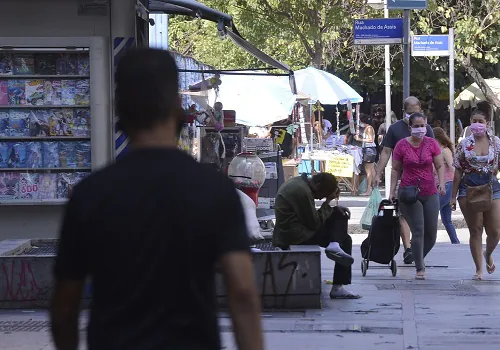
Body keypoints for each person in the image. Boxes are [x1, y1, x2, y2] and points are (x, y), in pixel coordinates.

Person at [50, 48, 263, 350]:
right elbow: (242, 291)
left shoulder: (90, 195)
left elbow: (64, 306)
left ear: (119, 108)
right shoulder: (215, 190)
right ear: (178, 106)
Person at [452, 101, 500, 281]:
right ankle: (479, 268)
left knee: (495, 231)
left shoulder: (496, 143)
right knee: (475, 229)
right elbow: (457, 171)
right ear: (470, 123)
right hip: (468, 187)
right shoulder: (463, 144)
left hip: (491, 186)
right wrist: (452, 197)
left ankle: (488, 254)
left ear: (487, 123)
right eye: (474, 121)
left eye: (481, 121)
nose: (477, 124)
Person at [273, 172, 361, 299]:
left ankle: (334, 244)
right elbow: (314, 223)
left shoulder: (300, 183)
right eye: (322, 195)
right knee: (346, 240)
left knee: (337, 216)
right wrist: (328, 202)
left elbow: (313, 218)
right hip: (294, 235)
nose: (319, 199)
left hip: (297, 229)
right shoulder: (302, 191)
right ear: (318, 185)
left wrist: (331, 208)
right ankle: (337, 285)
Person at [374, 96, 435, 264]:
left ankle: (417, 252)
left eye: (416, 112)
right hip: (404, 179)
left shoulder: (426, 128)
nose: (413, 115)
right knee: (403, 214)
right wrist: (378, 172)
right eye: (410, 113)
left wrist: (439, 176)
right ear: (404, 112)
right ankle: (408, 247)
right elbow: (386, 152)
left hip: (425, 181)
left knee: (425, 225)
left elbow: (434, 152)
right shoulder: (395, 129)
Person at [389, 113, 446, 280]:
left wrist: (442, 183)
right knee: (418, 230)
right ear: (410, 128)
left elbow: (440, 165)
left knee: (431, 234)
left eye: (423, 126)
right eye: (416, 126)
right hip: (409, 192)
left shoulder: (431, 143)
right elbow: (395, 169)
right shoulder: (401, 145)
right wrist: (392, 191)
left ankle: (415, 255)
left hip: (429, 191)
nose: (420, 129)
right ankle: (420, 267)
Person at [433, 127, 460, 244]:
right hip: (442, 186)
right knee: (446, 219)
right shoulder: (437, 151)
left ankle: (428, 240)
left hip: (448, 185)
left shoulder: (445, 151)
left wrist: (460, 183)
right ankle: (455, 242)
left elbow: (453, 167)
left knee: (432, 212)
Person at [354, 114, 377, 196]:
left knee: (369, 171)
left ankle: (368, 190)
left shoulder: (369, 128)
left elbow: (371, 139)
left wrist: (359, 139)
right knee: (372, 170)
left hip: (369, 150)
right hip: (368, 149)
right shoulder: (367, 128)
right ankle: (374, 187)